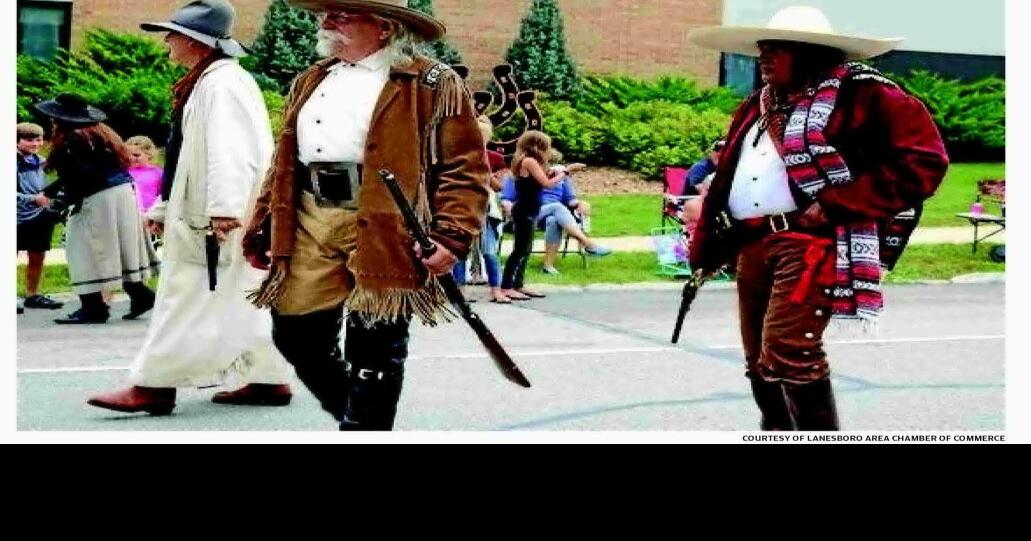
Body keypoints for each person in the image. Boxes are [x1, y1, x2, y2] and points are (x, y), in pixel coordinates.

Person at [688, 5, 949, 430]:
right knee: (757, 358)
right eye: (762, 49)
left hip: (810, 243)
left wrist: (836, 202)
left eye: (777, 49)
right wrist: (708, 247)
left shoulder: (867, 94)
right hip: (752, 243)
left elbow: (923, 163)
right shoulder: (759, 103)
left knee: (789, 350)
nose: (764, 58)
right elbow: (730, 177)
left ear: (811, 52)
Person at [242, 0, 489, 431]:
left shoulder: (432, 82)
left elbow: (464, 167)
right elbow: (283, 162)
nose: (327, 21)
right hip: (311, 216)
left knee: (374, 347)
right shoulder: (311, 79)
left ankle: (364, 428)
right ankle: (361, 420)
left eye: (342, 14)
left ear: (385, 27)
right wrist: (264, 224)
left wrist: (452, 235)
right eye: (326, 13)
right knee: (295, 335)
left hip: (388, 222)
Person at [86, 0, 293, 415]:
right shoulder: (216, 80)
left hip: (211, 215)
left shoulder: (219, 84)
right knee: (240, 294)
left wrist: (224, 207)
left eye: (173, 34)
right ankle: (269, 378)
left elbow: (228, 151)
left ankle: (154, 386)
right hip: (211, 209)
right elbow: (190, 157)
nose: (167, 41)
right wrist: (167, 209)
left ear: (197, 42)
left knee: (182, 296)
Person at [34, 95, 159, 325]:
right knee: (119, 246)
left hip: (99, 196)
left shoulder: (72, 140)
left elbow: (80, 177)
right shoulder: (101, 133)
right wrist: (51, 192)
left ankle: (93, 308)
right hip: (123, 192)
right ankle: (140, 294)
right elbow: (90, 170)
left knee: (82, 246)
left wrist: (59, 206)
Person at [501, 161, 610, 275]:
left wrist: (580, 203)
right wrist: (508, 206)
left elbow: (570, 199)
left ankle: (548, 266)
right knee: (556, 207)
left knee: (553, 220)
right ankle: (588, 244)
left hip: (551, 216)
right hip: (527, 214)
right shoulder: (520, 174)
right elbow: (506, 198)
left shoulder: (561, 176)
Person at [498, 131, 565, 300]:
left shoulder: (532, 161)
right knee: (519, 250)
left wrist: (554, 170)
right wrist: (567, 172)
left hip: (531, 209)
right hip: (524, 210)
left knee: (526, 250)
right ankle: (506, 286)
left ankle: (518, 284)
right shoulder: (528, 161)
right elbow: (548, 184)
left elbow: (542, 178)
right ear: (538, 145)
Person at [452, 116, 510, 303]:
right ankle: (459, 290)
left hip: (485, 208)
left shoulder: (495, 158)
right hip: (463, 206)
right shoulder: (457, 156)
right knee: (460, 250)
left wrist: (486, 173)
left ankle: (496, 289)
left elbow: (500, 186)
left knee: (489, 250)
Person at [16, 122, 64, 313]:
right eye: (28, 139)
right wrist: (34, 199)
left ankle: (32, 294)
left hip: (39, 216)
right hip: (17, 217)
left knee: (37, 255)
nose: (35, 143)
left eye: (38, 139)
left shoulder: (42, 161)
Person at [125, 135, 164, 214]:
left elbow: (162, 195)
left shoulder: (158, 173)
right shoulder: (123, 172)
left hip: (149, 213)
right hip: (128, 212)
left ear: (149, 154)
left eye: (136, 155)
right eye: (128, 154)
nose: (132, 158)